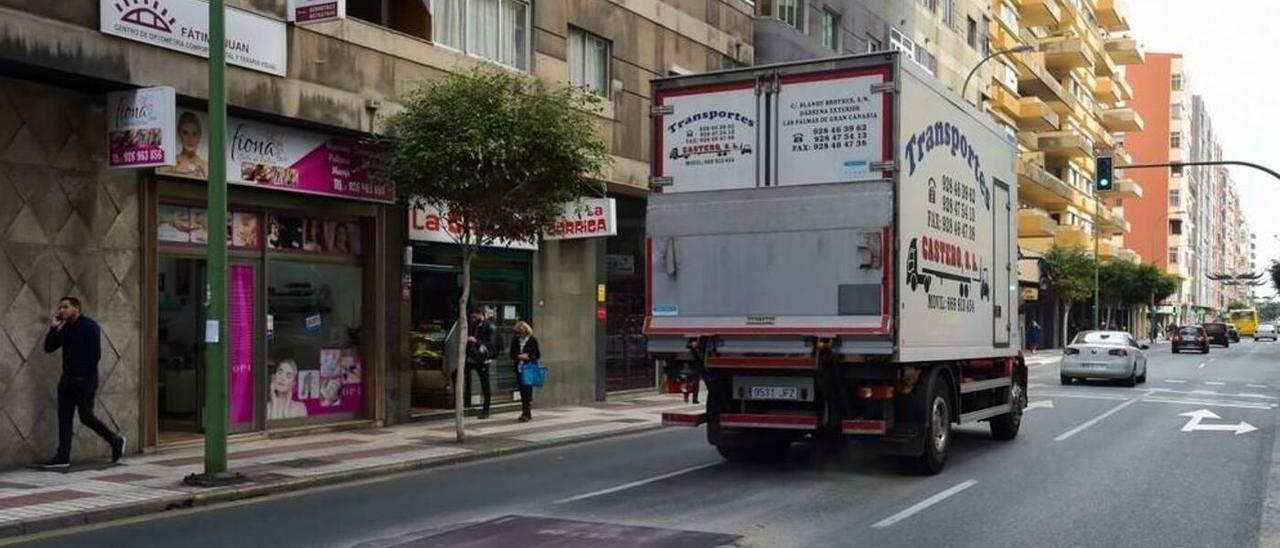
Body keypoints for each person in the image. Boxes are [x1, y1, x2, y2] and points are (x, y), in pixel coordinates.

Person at [40, 297, 125, 468]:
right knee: (64, 418)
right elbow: (49, 348)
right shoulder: (65, 329)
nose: (61, 311)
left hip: (85, 381)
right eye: (60, 308)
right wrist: (53, 328)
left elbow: (95, 354)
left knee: (86, 417)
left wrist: (83, 376)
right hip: (67, 381)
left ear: (77, 308)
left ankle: (115, 440)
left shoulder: (89, 326)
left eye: (65, 307)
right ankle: (62, 456)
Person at [464, 306, 497, 419]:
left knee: (485, 383)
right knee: (458, 374)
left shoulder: (489, 326)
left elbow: (491, 344)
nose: (474, 318)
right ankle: (461, 399)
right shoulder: (474, 326)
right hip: (473, 357)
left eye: (475, 316)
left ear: (480, 314)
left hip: (483, 359)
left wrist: (476, 341)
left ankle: (486, 410)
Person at [510, 321, 542, 422]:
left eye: (520, 333)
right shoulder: (516, 340)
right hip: (519, 368)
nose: (519, 335)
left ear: (525, 331)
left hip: (529, 368)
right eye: (518, 333)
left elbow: (537, 355)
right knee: (522, 391)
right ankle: (526, 412)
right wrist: (518, 356)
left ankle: (526, 413)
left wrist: (528, 357)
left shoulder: (532, 340)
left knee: (527, 391)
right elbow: (512, 354)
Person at [159, 112, 207, 178]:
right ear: (179, 134)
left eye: (194, 134)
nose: (190, 139)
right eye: (185, 133)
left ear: (199, 136)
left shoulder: (206, 166)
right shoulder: (170, 163)